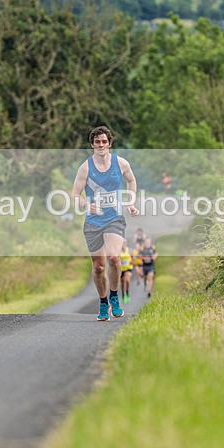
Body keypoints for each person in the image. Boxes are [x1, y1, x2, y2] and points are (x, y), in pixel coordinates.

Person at [71, 126, 139, 321]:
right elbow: (75, 193)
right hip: (93, 222)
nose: (101, 145)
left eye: (104, 141)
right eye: (97, 142)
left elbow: (132, 181)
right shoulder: (85, 167)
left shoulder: (121, 163)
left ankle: (114, 297)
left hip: (114, 219)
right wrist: (85, 204)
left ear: (110, 143)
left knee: (113, 257)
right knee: (99, 267)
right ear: (92, 144)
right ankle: (103, 302)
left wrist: (131, 202)